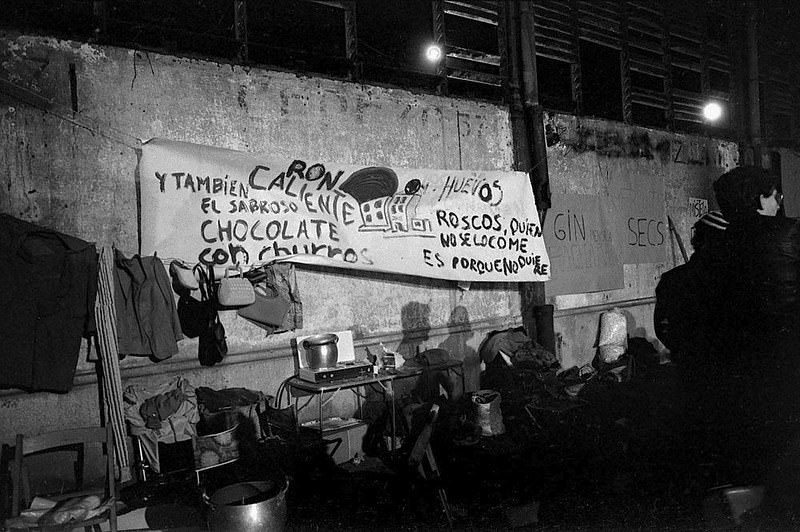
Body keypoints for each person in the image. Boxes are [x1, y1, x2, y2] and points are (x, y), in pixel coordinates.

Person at [710, 166, 800, 525]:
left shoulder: (715, 252)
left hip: (743, 379)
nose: (779, 199)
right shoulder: (791, 235)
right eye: (772, 193)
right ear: (757, 199)